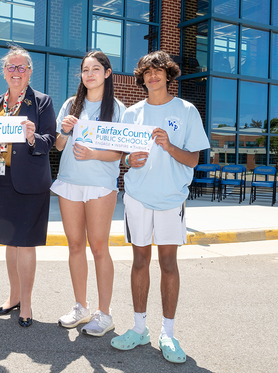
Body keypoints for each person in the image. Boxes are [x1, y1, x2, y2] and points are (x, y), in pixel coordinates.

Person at [110, 51, 210, 363]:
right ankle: (140, 329)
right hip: (138, 198)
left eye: (159, 71)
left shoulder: (186, 110)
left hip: (170, 200)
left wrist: (168, 146)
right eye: (148, 72)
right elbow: (120, 156)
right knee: (139, 262)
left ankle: (168, 332)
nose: (153, 76)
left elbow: (193, 159)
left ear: (168, 75)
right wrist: (128, 160)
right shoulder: (132, 114)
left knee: (168, 264)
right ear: (141, 77)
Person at [0, 46, 56, 328]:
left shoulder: (42, 102)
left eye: (22, 68)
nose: (16, 72)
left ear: (30, 72)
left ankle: (27, 302)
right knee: (9, 241)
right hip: (1, 180)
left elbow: (50, 141)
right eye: (11, 67)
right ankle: (13, 297)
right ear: (4, 72)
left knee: (26, 243)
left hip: (30, 183)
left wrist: (33, 138)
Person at [52, 51, 126, 336]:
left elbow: (119, 154)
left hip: (100, 185)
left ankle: (104, 313)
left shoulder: (118, 109)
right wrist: (65, 130)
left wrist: (94, 153)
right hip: (69, 182)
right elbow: (58, 145)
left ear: (107, 73)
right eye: (85, 70)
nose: (90, 74)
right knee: (74, 246)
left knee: (98, 247)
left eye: (96, 69)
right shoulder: (72, 104)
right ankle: (80, 307)